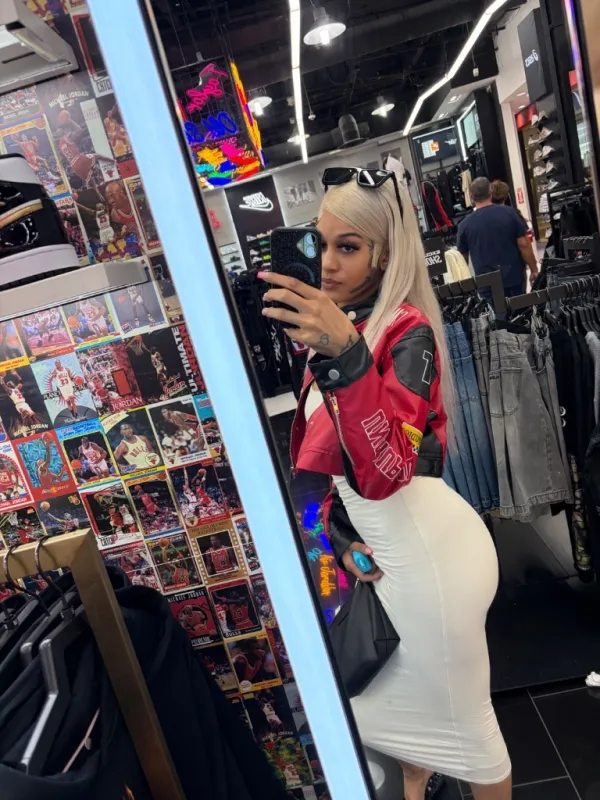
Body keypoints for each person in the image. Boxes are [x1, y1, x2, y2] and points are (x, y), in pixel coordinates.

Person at [260, 168, 511, 800]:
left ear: (384, 253)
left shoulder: (405, 331)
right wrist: (342, 541)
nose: (328, 263)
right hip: (388, 556)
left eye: (348, 246)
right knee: (397, 723)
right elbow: (331, 470)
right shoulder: (340, 332)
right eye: (320, 242)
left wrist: (348, 357)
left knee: (470, 736)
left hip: (431, 562)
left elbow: (388, 469)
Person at [457, 176, 538, 296]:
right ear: (490, 191)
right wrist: (534, 270)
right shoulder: (509, 213)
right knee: (520, 306)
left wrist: (466, 287)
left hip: (486, 282)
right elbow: (524, 244)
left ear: (471, 196)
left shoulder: (464, 225)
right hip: (513, 276)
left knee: (493, 308)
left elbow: (462, 260)